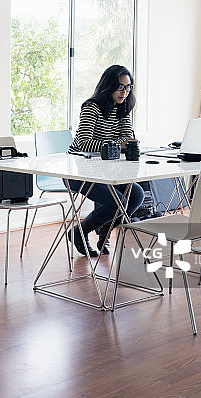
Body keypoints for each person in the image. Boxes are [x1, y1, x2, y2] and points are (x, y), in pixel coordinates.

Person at [66, 64, 144, 257]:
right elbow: (83, 143)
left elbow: (127, 138)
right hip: (77, 171)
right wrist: (119, 144)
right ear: (108, 86)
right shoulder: (91, 107)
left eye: (128, 87)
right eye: (120, 87)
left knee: (137, 196)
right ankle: (79, 231)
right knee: (119, 202)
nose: (124, 92)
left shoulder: (124, 109)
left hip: (105, 171)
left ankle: (105, 231)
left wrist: (120, 144)